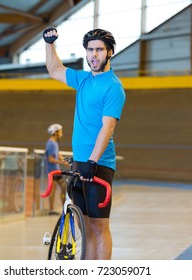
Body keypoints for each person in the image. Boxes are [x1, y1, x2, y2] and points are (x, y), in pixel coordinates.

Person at [43, 28, 126, 259]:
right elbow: (54, 70)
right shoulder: (83, 80)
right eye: (90, 50)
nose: (93, 55)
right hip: (81, 162)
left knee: (99, 227)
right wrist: (49, 44)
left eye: (99, 49)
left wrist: (92, 160)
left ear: (110, 52)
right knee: (85, 226)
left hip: (98, 164)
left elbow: (107, 127)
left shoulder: (113, 87)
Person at [45, 123, 69, 215]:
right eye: (60, 131)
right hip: (52, 171)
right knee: (53, 190)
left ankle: (64, 208)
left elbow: (58, 154)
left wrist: (65, 160)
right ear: (55, 133)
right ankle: (51, 210)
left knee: (63, 188)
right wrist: (62, 163)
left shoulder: (54, 143)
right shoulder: (51, 144)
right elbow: (50, 159)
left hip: (56, 171)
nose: (61, 133)